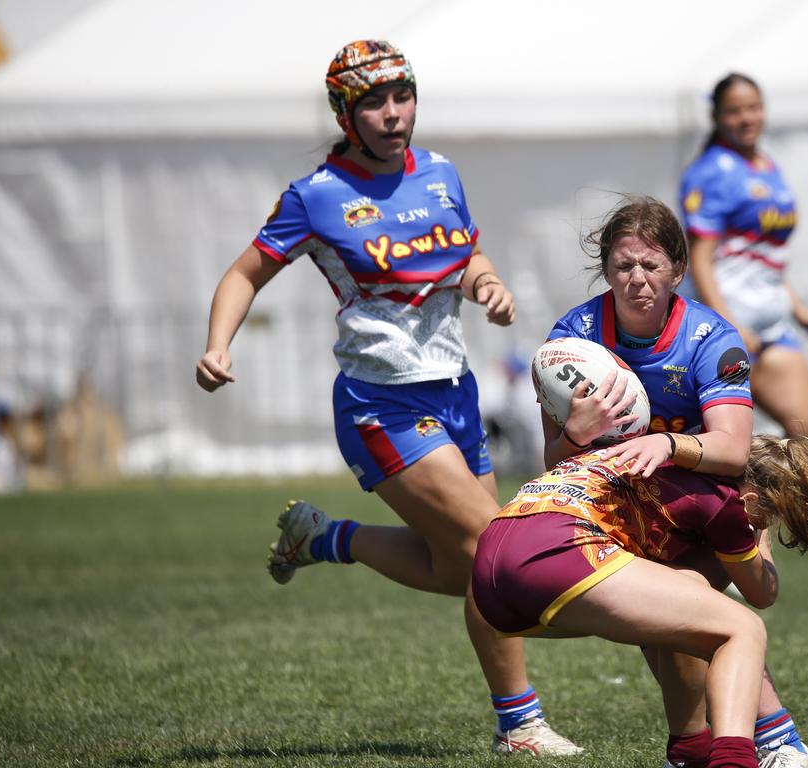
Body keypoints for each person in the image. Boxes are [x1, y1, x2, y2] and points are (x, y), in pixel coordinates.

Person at [195, 40, 580, 756]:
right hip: (383, 407)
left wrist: (486, 284)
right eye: (373, 101)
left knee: (462, 568)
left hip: (456, 392)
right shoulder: (315, 195)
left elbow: (466, 258)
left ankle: (325, 538)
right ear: (346, 112)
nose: (392, 113)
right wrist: (218, 344)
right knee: (495, 548)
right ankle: (521, 724)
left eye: (402, 96)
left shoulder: (439, 174)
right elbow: (243, 274)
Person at [542, 196, 808, 768]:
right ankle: (758, 744)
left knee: (738, 600)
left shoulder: (710, 337)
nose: (637, 280)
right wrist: (577, 433)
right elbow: (555, 463)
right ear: (607, 269)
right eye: (623, 267)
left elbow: (731, 449)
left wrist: (666, 444)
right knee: (672, 618)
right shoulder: (574, 338)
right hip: (624, 510)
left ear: (676, 268)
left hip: (707, 500)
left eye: (650, 266)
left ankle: (730, 744)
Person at [471, 435, 808, 768]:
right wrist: (757, 532)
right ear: (754, 497)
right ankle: (735, 760)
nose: (769, 522)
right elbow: (762, 592)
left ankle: (688, 755)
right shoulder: (726, 501)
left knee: (686, 605)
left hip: (494, 566)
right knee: (742, 629)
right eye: (773, 513)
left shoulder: (662, 460)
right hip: (560, 550)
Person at [679, 73, 808, 441]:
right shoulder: (711, 172)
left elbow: (766, 256)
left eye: (754, 108)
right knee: (723, 445)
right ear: (716, 117)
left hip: (774, 325)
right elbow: (699, 258)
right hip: (728, 327)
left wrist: (798, 308)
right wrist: (730, 329)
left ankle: (768, 496)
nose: (747, 118)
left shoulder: (767, 165)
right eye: (734, 111)